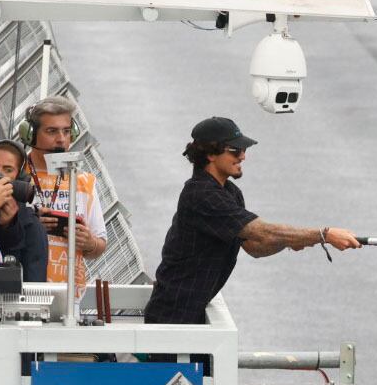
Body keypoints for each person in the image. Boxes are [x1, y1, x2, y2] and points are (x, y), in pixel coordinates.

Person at [143, 116, 361, 324]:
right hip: (171, 318)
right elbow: (262, 232)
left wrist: (293, 240)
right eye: (235, 150)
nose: (243, 156)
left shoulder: (230, 192)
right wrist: (324, 235)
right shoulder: (201, 195)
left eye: (244, 150)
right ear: (211, 154)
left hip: (191, 315)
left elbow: (255, 246)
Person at [23, 95, 108, 291]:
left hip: (69, 295)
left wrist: (89, 243)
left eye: (67, 131)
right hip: (21, 289)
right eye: (52, 131)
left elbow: (100, 244)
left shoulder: (83, 181)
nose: (61, 139)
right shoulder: (14, 172)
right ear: (31, 134)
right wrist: (28, 224)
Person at [0, 140, 50, 280]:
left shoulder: (31, 225)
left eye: (8, 170)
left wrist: (9, 227)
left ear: (20, 177)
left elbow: (34, 287)